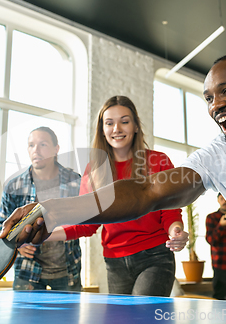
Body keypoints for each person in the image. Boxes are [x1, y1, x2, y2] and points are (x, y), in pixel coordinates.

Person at [1, 53, 226, 312]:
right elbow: (147, 192)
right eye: (209, 97)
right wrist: (52, 210)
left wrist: (173, 227)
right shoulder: (216, 157)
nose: (216, 105)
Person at [22, 96, 188, 296]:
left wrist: (176, 231)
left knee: (140, 317)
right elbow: (85, 223)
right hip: (115, 262)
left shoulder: (158, 161)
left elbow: (169, 211)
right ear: (102, 129)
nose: (116, 128)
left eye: (124, 121)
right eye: (109, 123)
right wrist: (43, 235)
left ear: (135, 126)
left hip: (154, 256)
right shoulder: (94, 171)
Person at [0, 126, 82, 291]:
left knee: (69, 318)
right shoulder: (13, 186)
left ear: (56, 149)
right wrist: (17, 246)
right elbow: (0, 228)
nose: (36, 150)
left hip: (68, 271)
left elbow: (85, 223)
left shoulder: (75, 182)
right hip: (27, 274)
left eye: (43, 144)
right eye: (31, 145)